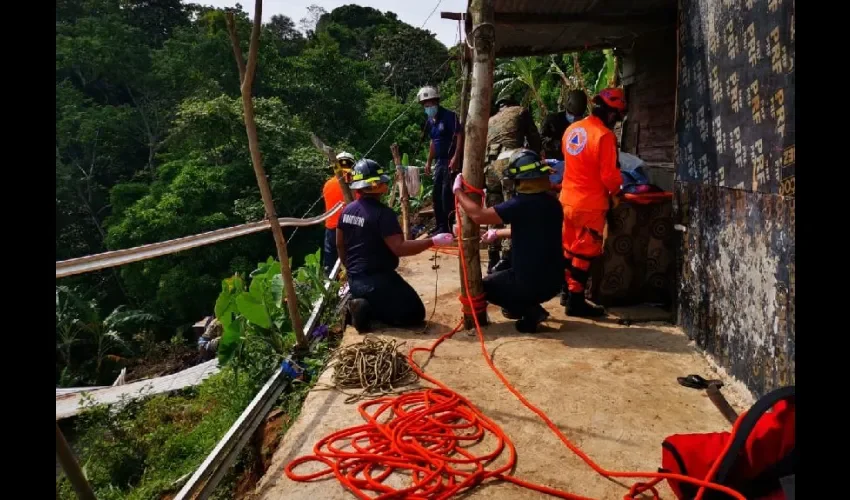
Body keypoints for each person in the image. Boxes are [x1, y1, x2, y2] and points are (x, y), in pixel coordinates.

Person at [337, 158, 455, 333]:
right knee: (414, 313)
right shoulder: (383, 214)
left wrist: (352, 270)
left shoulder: (347, 211)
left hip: (355, 279)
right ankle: (368, 312)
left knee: (396, 295)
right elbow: (400, 248)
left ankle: (363, 302)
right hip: (377, 280)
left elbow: (340, 244)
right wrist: (433, 241)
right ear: (375, 185)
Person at [453, 149, 564, 333]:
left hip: (531, 282)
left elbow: (479, 215)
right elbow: (531, 229)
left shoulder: (520, 204)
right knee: (507, 274)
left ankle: (531, 311)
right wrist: (497, 234)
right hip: (554, 281)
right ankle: (525, 304)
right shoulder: (552, 203)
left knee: (486, 286)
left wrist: (458, 192)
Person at [559, 88, 627, 317]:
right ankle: (576, 300)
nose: (617, 121)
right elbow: (609, 175)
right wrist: (617, 191)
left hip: (568, 200)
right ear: (611, 113)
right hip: (590, 203)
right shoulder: (604, 136)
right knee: (584, 252)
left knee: (569, 248)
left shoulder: (572, 130)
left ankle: (566, 293)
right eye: (617, 116)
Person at [483, 96, 543, 273]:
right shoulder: (520, 111)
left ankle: (492, 257)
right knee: (512, 210)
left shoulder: (490, 119)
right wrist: (536, 159)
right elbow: (534, 139)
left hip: (489, 167)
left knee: (494, 210)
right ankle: (506, 258)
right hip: (508, 164)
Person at [418, 86, 464, 235]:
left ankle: (449, 226)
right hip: (439, 162)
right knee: (436, 194)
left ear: (437, 102)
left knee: (446, 194)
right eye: (426, 106)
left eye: (430, 104)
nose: (428, 108)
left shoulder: (450, 116)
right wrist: (428, 161)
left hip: (450, 160)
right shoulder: (431, 121)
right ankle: (440, 226)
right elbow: (433, 142)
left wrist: (456, 157)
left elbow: (459, 136)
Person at [320, 151, 354, 274]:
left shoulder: (327, 184)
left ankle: (332, 289)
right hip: (349, 227)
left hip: (330, 228)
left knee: (331, 264)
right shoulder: (353, 183)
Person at [541, 89, 588, 161]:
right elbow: (541, 139)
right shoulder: (552, 120)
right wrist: (556, 144)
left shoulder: (587, 125)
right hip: (556, 162)